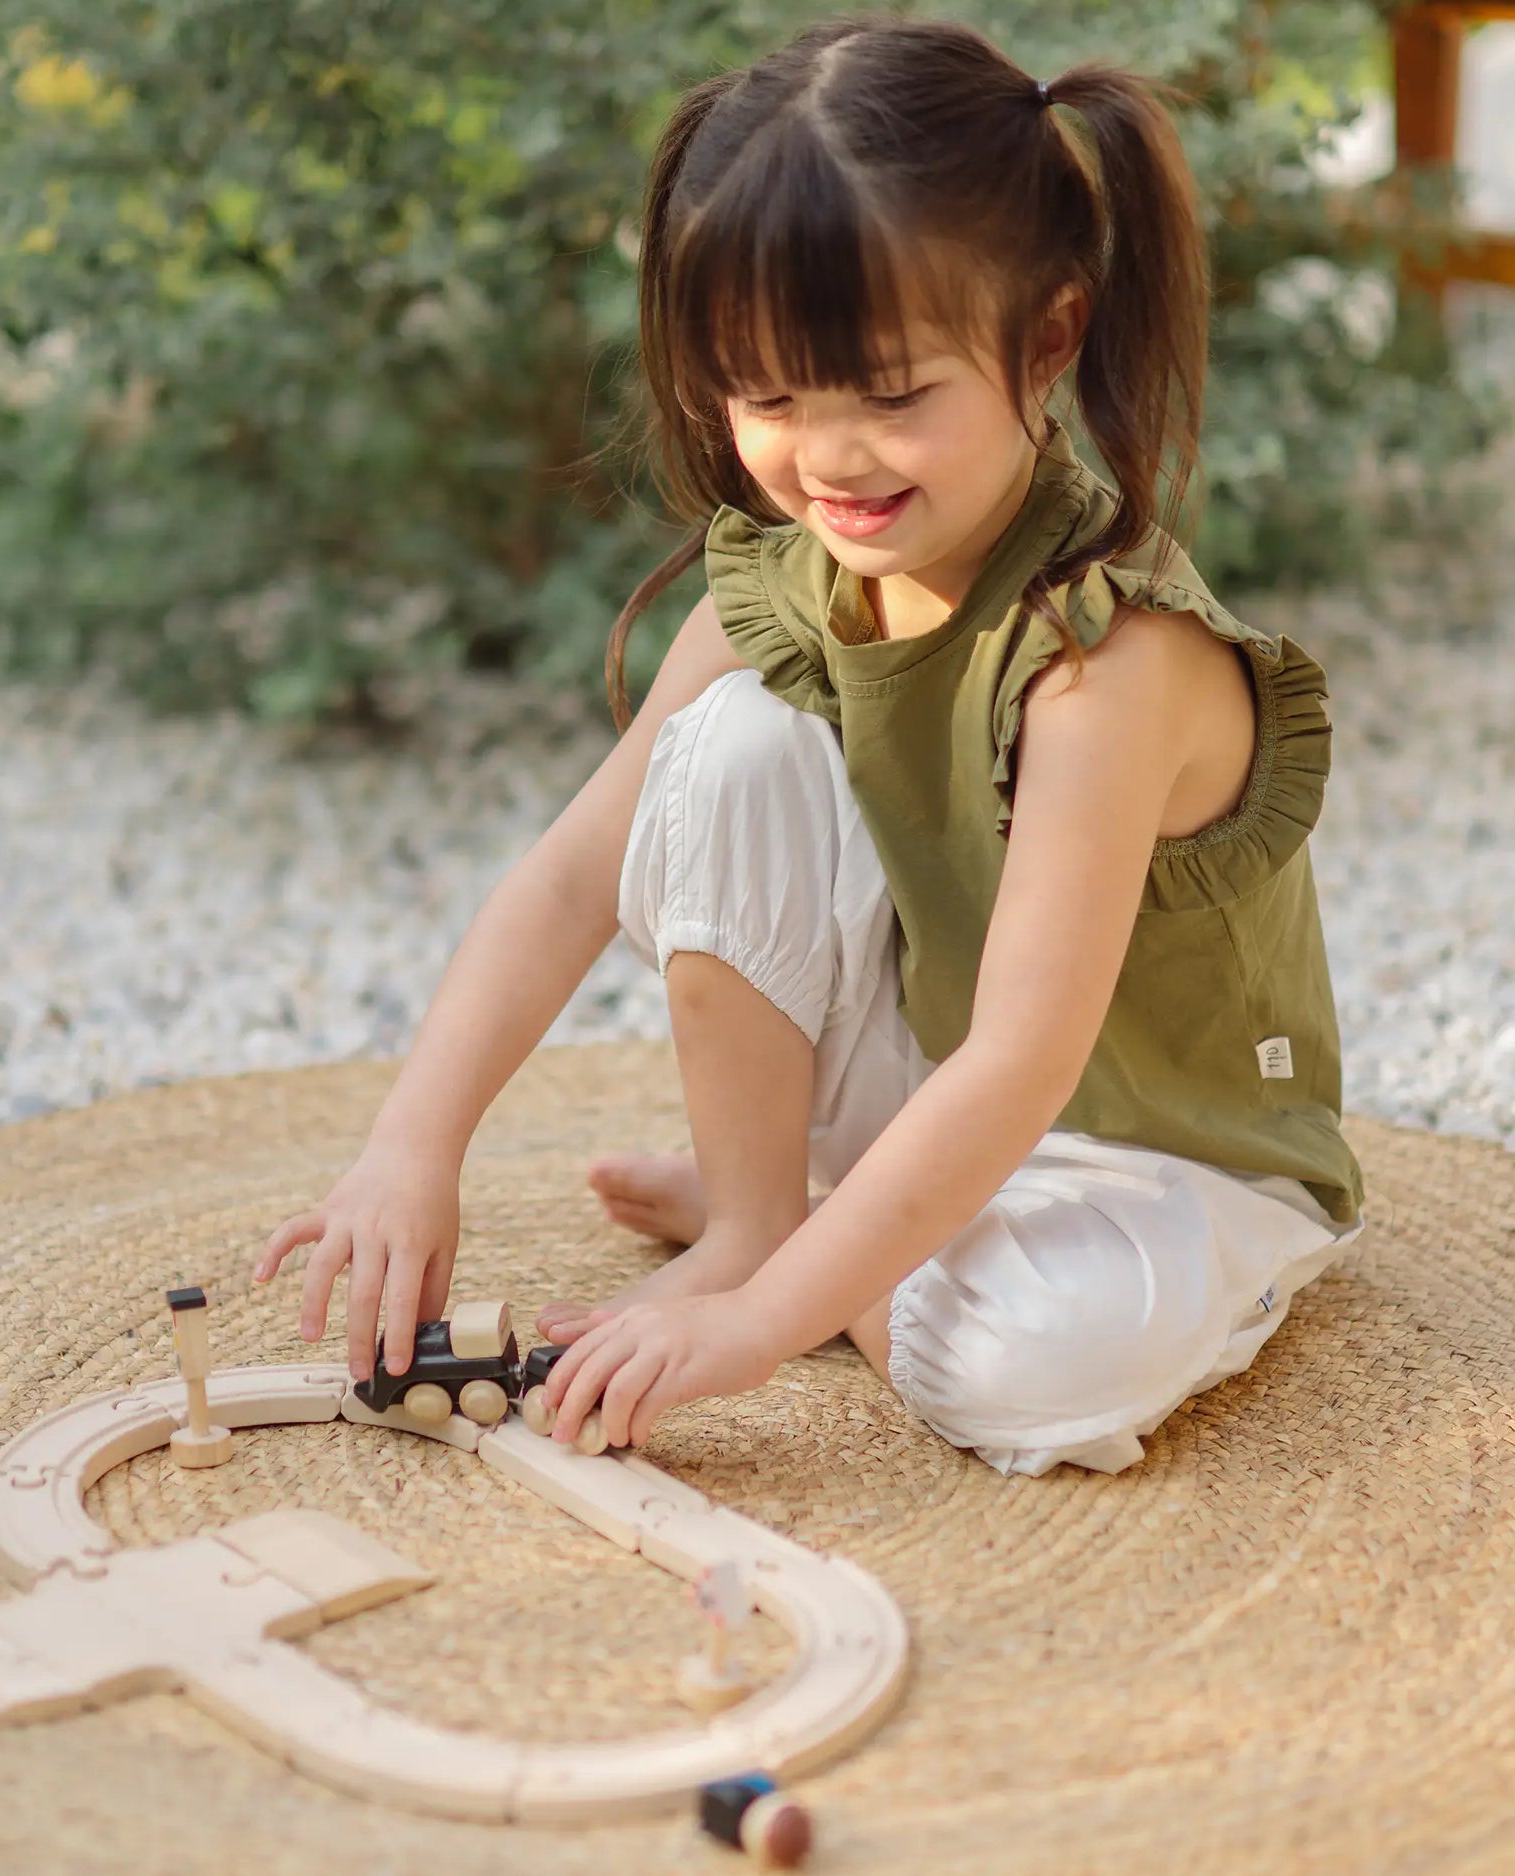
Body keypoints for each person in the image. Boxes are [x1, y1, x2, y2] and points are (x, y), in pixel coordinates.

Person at [254, 14, 1368, 1478]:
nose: (830, 457)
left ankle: (806, 1244)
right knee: (725, 741)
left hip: (1155, 1154)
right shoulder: (798, 582)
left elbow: (1022, 1062)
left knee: (1038, 1369)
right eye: (768, 397)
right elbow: (570, 876)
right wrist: (412, 1146)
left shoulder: (1107, 664)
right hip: (938, 1084)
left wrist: (765, 1327)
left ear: (1048, 338)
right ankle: (759, 1215)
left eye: (893, 395)